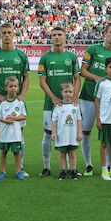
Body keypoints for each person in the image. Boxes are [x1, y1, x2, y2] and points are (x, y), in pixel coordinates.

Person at [80, 23, 111, 176]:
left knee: (107, 134)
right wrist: (97, 78)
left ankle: (108, 168)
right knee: (86, 131)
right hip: (87, 96)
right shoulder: (93, 49)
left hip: (107, 102)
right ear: (104, 34)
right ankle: (88, 165)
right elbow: (83, 71)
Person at [0, 24, 29, 178]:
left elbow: (26, 77)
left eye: (9, 32)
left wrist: (22, 94)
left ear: (14, 34)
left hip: (16, 102)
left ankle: (20, 167)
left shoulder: (21, 55)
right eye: (4, 33)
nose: (6, 35)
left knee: (19, 133)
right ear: (0, 35)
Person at [38, 27, 80, 177]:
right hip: (51, 104)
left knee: (71, 131)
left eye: (59, 35)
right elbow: (42, 81)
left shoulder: (72, 57)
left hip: (70, 104)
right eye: (54, 35)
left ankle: (71, 168)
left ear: (65, 38)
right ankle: (46, 166)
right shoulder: (45, 58)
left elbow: (77, 78)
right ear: (51, 38)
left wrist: (75, 96)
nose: (57, 37)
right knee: (48, 133)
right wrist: (53, 97)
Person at [0, 77, 27, 180]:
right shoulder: (3, 104)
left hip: (16, 134)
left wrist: (14, 118)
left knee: (16, 153)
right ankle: (2, 172)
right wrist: (6, 121)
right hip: (4, 133)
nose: (13, 88)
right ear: (6, 88)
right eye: (10, 86)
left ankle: (19, 172)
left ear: (18, 88)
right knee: (3, 152)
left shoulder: (20, 103)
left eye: (15, 86)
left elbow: (24, 116)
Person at [51, 82, 83, 180]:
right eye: (66, 92)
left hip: (72, 135)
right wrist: (53, 132)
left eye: (70, 92)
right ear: (62, 93)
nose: (68, 94)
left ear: (73, 93)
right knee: (62, 154)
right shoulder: (58, 107)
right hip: (62, 135)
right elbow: (54, 121)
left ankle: (73, 171)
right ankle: (62, 172)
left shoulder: (76, 106)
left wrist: (80, 132)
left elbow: (79, 120)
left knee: (72, 153)